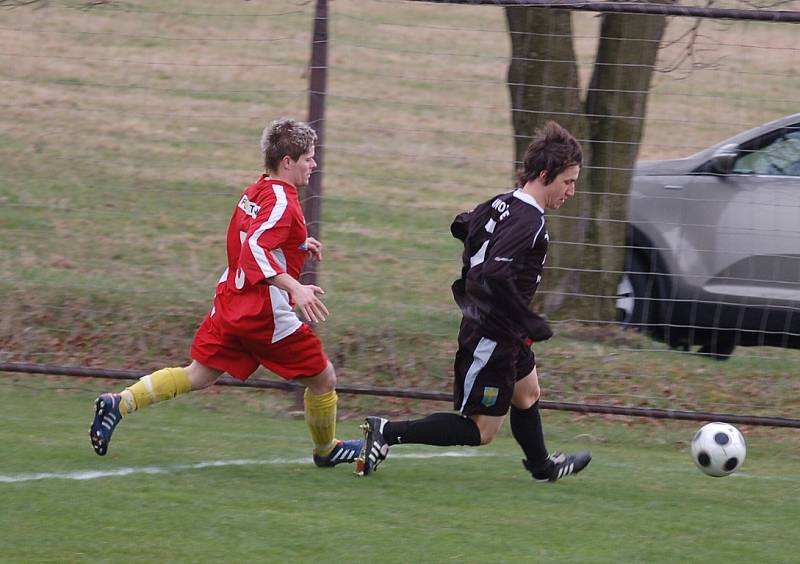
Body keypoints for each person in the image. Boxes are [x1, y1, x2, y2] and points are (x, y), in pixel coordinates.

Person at [90, 118, 363, 468]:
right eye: (309, 158)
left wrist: (297, 243)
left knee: (197, 375)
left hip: (232, 300)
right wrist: (294, 286)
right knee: (324, 378)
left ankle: (119, 403)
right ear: (288, 162)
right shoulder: (284, 200)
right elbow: (255, 249)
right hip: (263, 313)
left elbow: (254, 234)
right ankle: (326, 450)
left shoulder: (259, 189)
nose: (314, 164)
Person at [356, 121, 591, 482]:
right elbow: (493, 274)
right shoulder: (530, 223)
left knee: (527, 394)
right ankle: (387, 431)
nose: (572, 191)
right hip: (492, 334)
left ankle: (543, 467)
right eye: (568, 181)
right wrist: (527, 318)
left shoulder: (501, 203)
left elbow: (462, 223)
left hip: (505, 331)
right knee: (481, 430)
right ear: (545, 175)